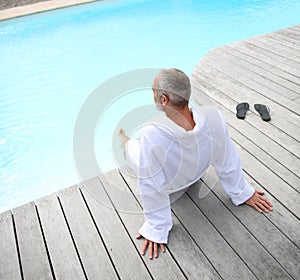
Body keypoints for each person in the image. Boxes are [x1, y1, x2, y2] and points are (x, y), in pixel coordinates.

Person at [118, 68, 272, 260]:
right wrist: (242, 191)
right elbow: (227, 157)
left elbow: (151, 183)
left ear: (164, 100)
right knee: (145, 147)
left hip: (170, 185)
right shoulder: (212, 116)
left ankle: (124, 142)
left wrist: (157, 227)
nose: (153, 95)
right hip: (194, 174)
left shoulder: (152, 133)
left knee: (132, 148)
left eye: (153, 91)